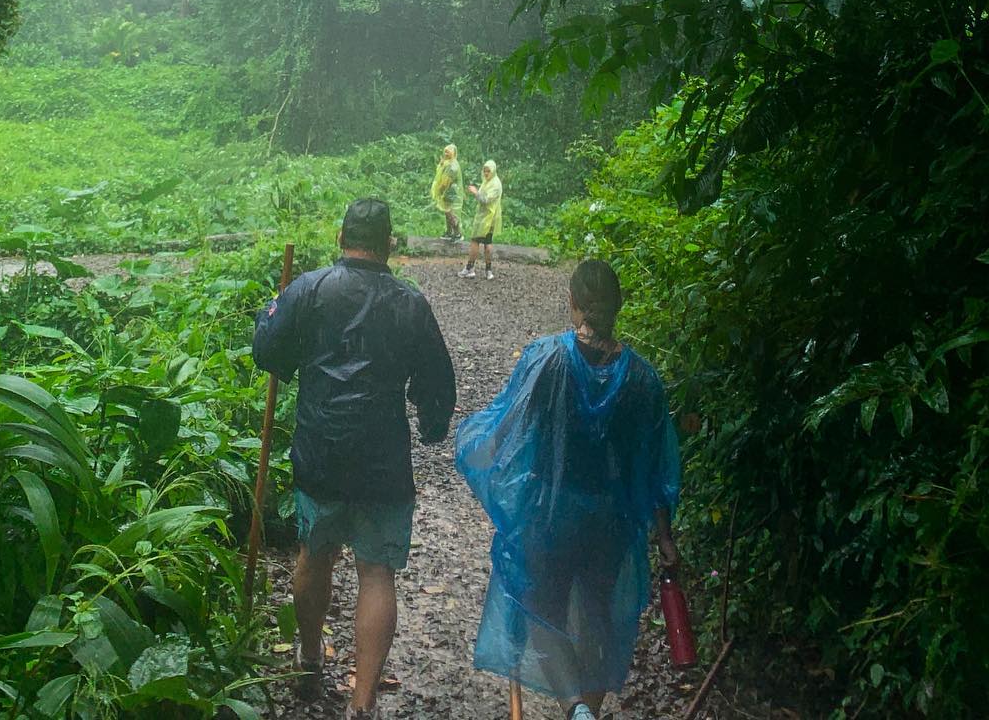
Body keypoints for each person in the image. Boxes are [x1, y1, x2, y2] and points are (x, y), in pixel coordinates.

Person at [253, 197, 457, 718]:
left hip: (321, 452)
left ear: (341, 238)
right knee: (376, 572)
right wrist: (432, 426)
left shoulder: (311, 289)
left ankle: (309, 654)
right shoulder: (409, 303)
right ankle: (362, 703)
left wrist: (270, 320)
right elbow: (437, 380)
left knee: (314, 554)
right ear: (389, 244)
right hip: (382, 460)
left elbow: (267, 353)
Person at [455, 260, 680, 720]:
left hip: (548, 516)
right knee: (599, 618)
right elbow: (657, 468)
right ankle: (586, 712)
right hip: (610, 521)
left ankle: (575, 706)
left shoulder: (547, 358)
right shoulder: (643, 378)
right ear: (619, 306)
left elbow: (504, 431)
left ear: (573, 303)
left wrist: (476, 456)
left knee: (543, 611)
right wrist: (665, 537)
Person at [459, 159, 502, 279]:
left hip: (487, 218)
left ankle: (470, 268)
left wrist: (475, 192)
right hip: (487, 217)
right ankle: (488, 271)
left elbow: (485, 200)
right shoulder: (488, 181)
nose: (486, 173)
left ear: (493, 171)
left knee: (475, 241)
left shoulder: (495, 184)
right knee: (487, 243)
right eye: (485, 171)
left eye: (488, 171)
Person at [431, 143, 462, 240]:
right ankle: (449, 232)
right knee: (446, 212)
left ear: (453, 153)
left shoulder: (453, 166)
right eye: (445, 152)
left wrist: (439, 190)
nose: (446, 154)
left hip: (449, 192)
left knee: (449, 213)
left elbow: (446, 182)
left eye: (448, 152)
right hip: (446, 191)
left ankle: (457, 233)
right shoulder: (447, 163)